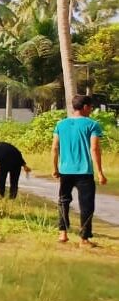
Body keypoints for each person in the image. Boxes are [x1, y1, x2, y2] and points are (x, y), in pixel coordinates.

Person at [52, 95, 108, 246]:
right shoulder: (92, 125)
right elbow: (94, 148)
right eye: (90, 107)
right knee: (86, 205)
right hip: (84, 172)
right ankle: (84, 238)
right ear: (85, 107)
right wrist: (100, 172)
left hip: (65, 171)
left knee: (63, 201)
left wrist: (55, 168)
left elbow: (55, 148)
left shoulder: (60, 124)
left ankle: (62, 233)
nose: (90, 110)